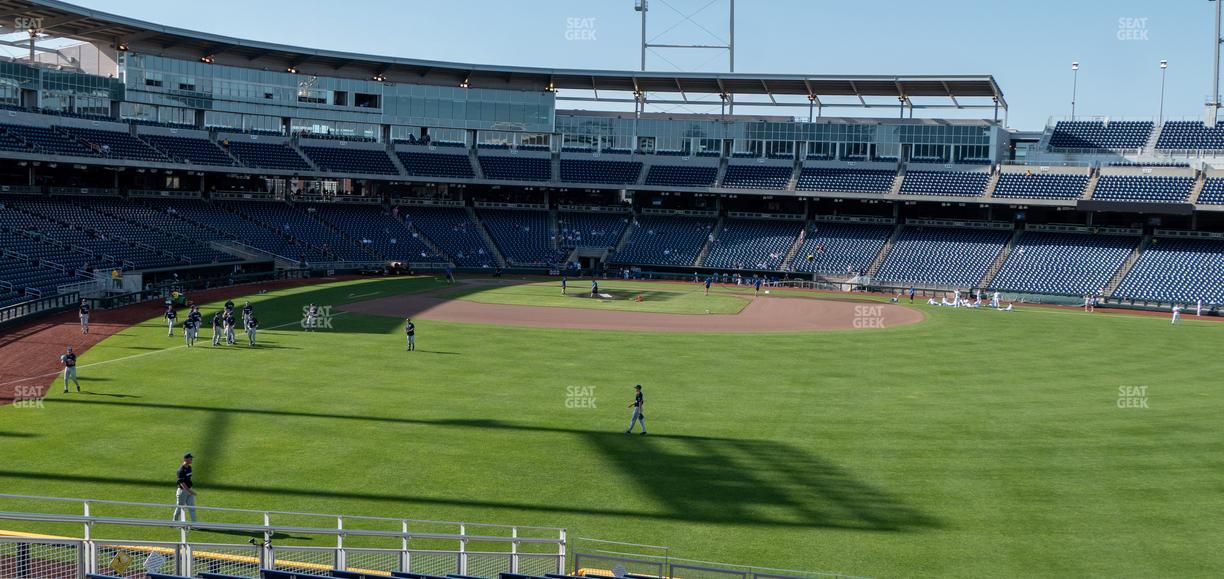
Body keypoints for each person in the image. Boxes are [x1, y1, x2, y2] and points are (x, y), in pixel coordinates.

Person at [172, 453, 198, 523]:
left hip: (189, 490)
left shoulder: (189, 468)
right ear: (185, 459)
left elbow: (189, 479)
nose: (191, 459)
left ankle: (195, 524)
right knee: (179, 508)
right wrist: (191, 492)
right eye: (190, 458)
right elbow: (182, 484)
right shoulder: (180, 470)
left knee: (192, 508)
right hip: (182, 492)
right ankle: (174, 522)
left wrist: (190, 490)